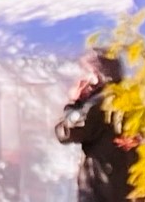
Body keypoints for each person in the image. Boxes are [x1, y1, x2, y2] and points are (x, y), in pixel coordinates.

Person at [55, 53, 137, 202]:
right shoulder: (132, 100)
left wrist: (73, 103)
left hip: (102, 189)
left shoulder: (97, 104)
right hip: (131, 189)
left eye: (87, 72)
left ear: (96, 75)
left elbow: (67, 132)